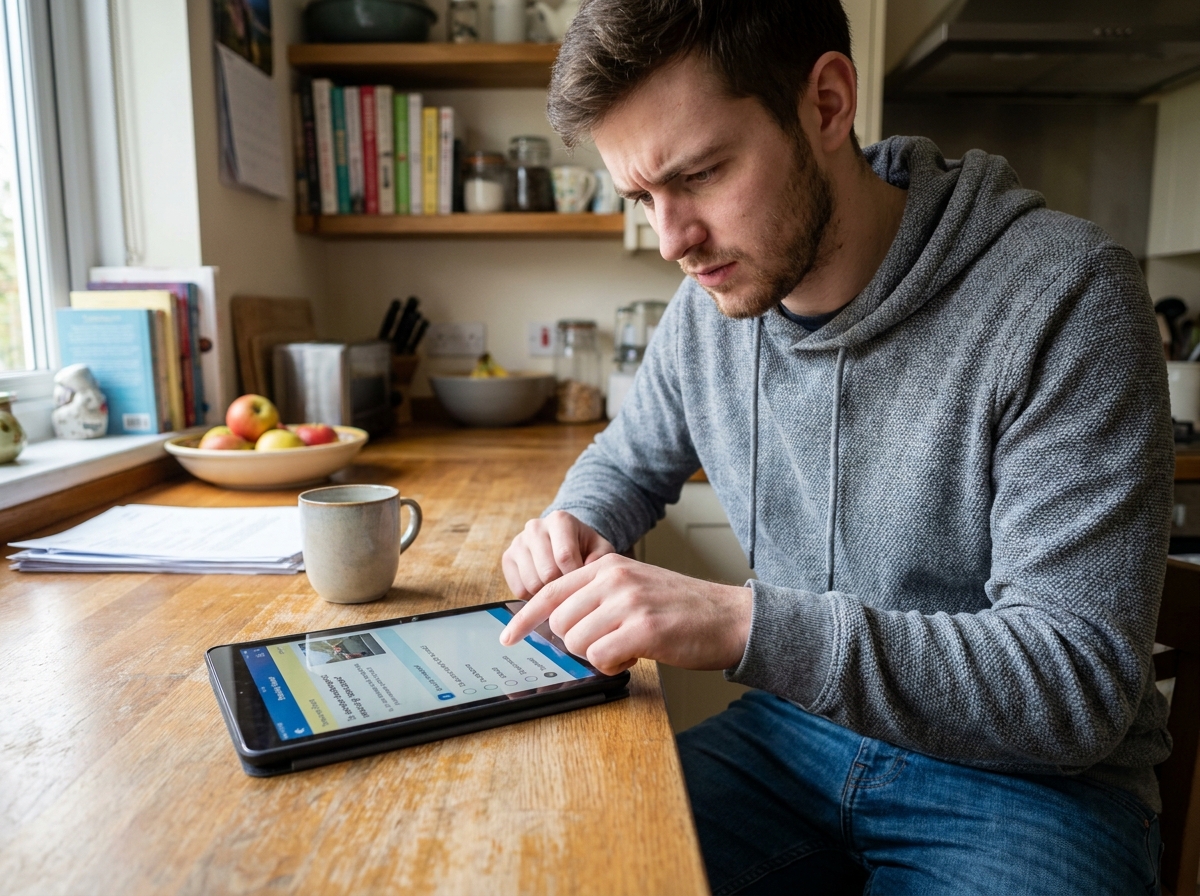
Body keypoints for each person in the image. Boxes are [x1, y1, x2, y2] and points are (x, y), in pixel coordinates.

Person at [497, 1, 1175, 892]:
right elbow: (628, 459)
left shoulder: (1065, 298)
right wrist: (577, 516)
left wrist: (742, 623)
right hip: (795, 741)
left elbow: (1074, 686)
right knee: (551, 869)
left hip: (1034, 791)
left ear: (826, 103)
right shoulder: (708, 311)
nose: (672, 241)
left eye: (699, 175)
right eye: (642, 198)